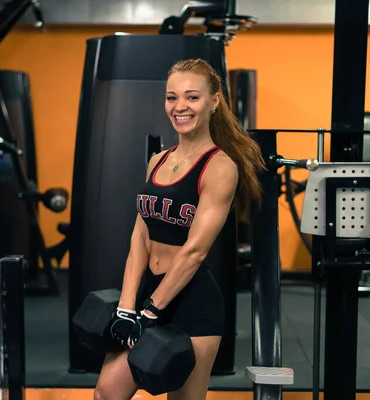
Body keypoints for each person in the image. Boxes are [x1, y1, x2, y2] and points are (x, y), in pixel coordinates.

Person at [93, 58, 266, 400]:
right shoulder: (157, 159)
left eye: (192, 97)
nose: (180, 106)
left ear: (214, 101)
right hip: (150, 295)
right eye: (172, 97)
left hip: (193, 304)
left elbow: (195, 250)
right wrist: (128, 307)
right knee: (107, 393)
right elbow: (140, 237)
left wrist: (150, 311)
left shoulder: (219, 167)